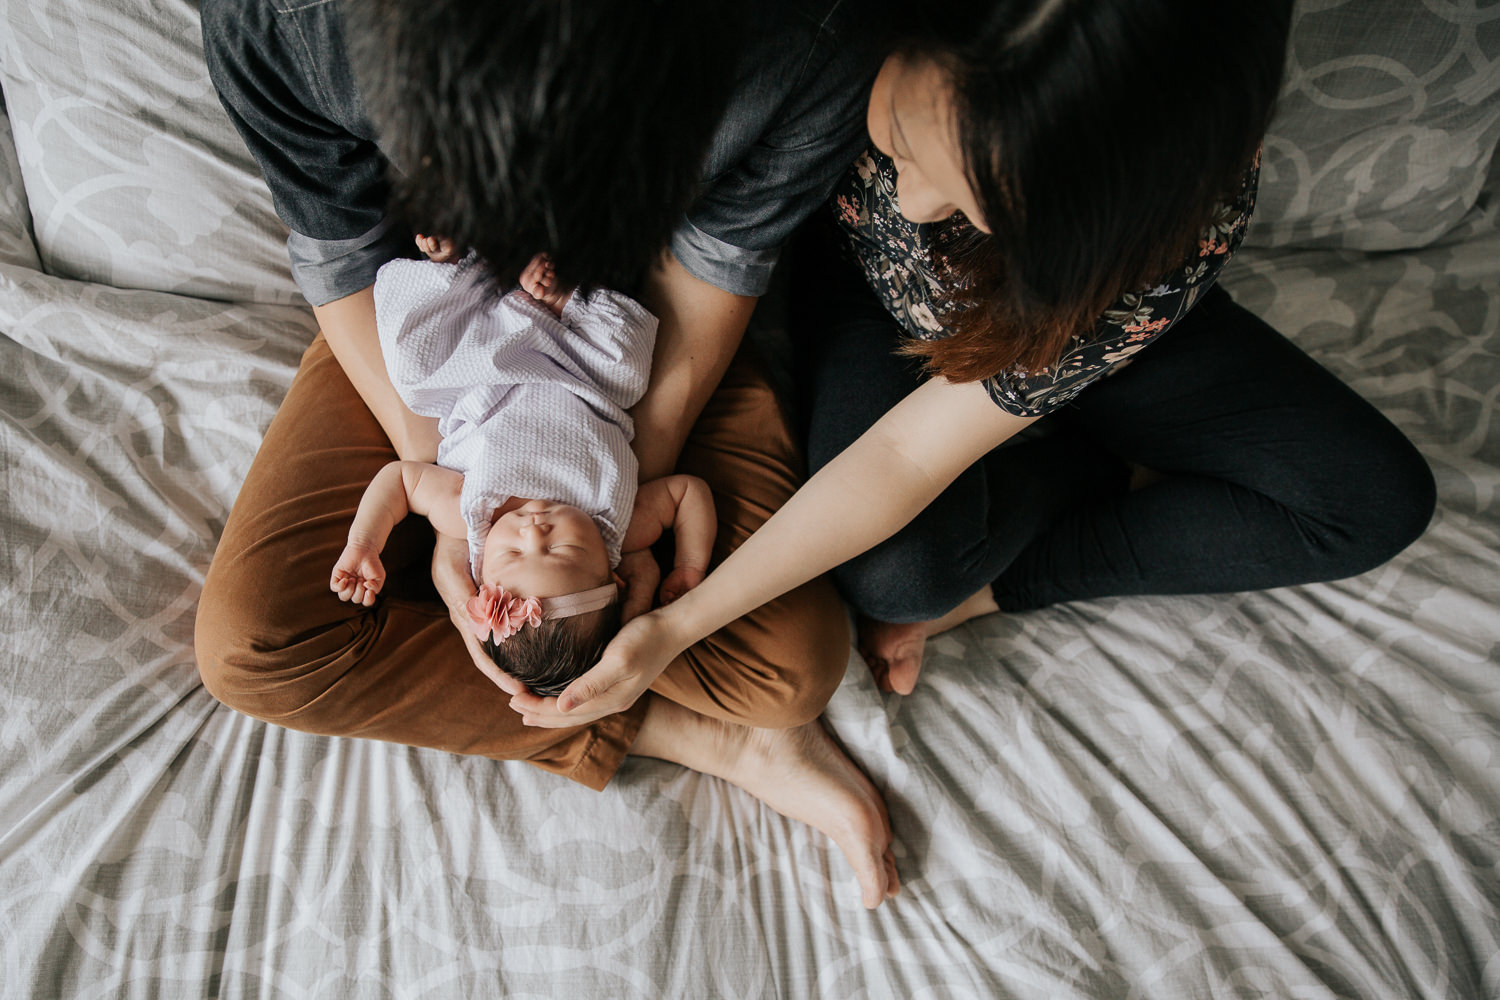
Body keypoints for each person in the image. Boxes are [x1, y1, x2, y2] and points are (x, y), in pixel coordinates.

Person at [508, 0, 1436, 724]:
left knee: (1369, 501)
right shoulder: (821, 43)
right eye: (907, 142)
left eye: (979, 205)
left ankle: (1006, 549)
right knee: (899, 570)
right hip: (884, 315)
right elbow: (906, 457)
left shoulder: (1156, 197)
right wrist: (670, 630)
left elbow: (925, 450)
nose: (911, 198)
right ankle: (1049, 475)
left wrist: (676, 629)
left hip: (1058, 323)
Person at [196, 0, 901, 908]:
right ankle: (695, 735)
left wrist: (615, 506)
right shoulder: (288, 21)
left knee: (797, 668)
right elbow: (345, 257)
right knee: (251, 648)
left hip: (642, 336)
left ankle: (692, 708)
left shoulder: (811, 35)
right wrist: (453, 480)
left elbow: (712, 278)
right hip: (438, 345)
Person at [330, 247, 717, 697]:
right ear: (613, 577)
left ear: (479, 583)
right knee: (629, 369)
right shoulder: (621, 527)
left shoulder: (468, 513)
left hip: (486, 356)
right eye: (562, 549)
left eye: (513, 555)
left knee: (413, 369)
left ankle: (457, 262)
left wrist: (364, 543)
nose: (534, 533)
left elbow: (399, 480)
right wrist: (689, 566)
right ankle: (563, 292)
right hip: (580, 361)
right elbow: (688, 494)